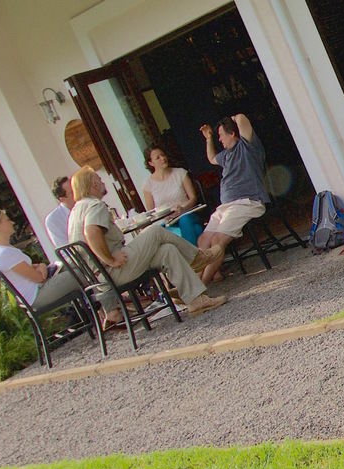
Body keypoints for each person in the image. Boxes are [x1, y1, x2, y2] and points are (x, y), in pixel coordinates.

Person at [66, 167, 225, 316]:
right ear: (93, 184)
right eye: (99, 179)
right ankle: (198, 257)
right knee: (155, 231)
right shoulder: (94, 205)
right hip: (114, 270)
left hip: (101, 277)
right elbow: (91, 232)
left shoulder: (76, 211)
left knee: (167, 250)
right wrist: (111, 259)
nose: (102, 182)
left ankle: (196, 300)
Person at [196, 111, 268, 284]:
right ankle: (193, 283)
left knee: (216, 240)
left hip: (247, 202)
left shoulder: (247, 147)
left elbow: (243, 118)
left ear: (233, 133)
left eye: (221, 135)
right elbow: (212, 158)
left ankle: (200, 286)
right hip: (226, 206)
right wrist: (208, 138)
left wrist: (234, 119)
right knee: (203, 240)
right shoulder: (226, 154)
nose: (219, 140)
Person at [0, 208, 86, 317]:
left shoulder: (0, 249)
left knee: (75, 263)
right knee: (83, 274)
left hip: (38, 289)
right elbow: (39, 278)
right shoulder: (3, 253)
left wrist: (39, 267)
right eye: (7, 220)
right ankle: (101, 308)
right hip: (37, 295)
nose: (12, 222)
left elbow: (27, 268)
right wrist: (42, 266)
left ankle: (96, 307)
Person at [143, 145, 205, 244]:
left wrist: (183, 209)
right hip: (167, 222)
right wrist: (164, 216)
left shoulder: (180, 173)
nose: (163, 158)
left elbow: (193, 198)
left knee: (185, 220)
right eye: (158, 158)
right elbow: (151, 214)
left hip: (186, 214)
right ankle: (197, 254)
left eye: (163, 155)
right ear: (151, 163)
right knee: (197, 230)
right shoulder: (148, 185)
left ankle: (191, 257)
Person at [43, 176, 73, 254]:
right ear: (62, 199)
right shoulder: (53, 220)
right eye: (72, 192)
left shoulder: (88, 204)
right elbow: (66, 250)